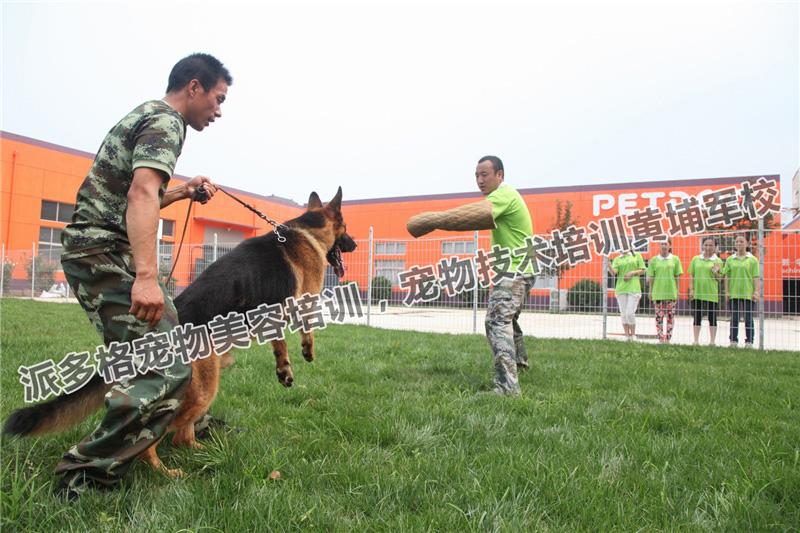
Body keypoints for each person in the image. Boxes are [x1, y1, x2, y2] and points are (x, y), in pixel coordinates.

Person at [56, 53, 231, 498]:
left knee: (157, 354)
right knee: (169, 363)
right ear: (194, 88)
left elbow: (136, 195)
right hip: (100, 253)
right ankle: (86, 472)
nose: (218, 110)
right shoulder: (168, 123)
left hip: (97, 246)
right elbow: (140, 192)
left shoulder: (148, 115)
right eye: (217, 98)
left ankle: (178, 429)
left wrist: (184, 191)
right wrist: (147, 278)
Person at [406, 155, 534, 395]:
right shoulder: (504, 198)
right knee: (509, 319)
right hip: (516, 268)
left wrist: (433, 220)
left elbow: (470, 216)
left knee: (497, 321)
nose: (479, 180)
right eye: (476, 175)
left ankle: (508, 387)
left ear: (500, 175)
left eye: (485, 174)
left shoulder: (504, 195)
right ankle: (520, 365)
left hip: (517, 269)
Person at [723, 234, 760, 348]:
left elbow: (756, 277)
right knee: (734, 318)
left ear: (747, 244)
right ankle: (733, 341)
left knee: (748, 318)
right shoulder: (730, 259)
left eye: (741, 241)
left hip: (748, 293)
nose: (739, 244)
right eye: (737, 242)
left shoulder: (752, 260)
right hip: (734, 292)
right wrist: (727, 291)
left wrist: (756, 291)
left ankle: (749, 341)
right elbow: (726, 276)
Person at [688, 237, 723, 345]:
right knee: (697, 316)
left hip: (711, 293)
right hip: (698, 292)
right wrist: (692, 289)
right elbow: (691, 275)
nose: (708, 247)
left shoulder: (718, 260)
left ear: (715, 247)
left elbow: (720, 279)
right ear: (702, 246)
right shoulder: (696, 259)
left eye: (711, 245)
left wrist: (715, 272)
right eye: (706, 245)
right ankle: (696, 340)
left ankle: (712, 341)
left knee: (712, 317)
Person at [646, 240, 683, 344]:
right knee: (659, 317)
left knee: (670, 317)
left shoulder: (675, 259)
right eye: (662, 243)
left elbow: (677, 276)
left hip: (671, 292)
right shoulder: (654, 260)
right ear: (659, 245)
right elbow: (651, 277)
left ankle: (668, 339)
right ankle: (661, 338)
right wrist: (650, 291)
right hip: (658, 293)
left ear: (670, 245)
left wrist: (678, 290)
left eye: (666, 243)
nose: (664, 246)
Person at [610, 249, 646, 341]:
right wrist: (608, 263)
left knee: (630, 313)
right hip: (621, 288)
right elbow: (614, 273)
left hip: (634, 288)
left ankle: (633, 335)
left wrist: (632, 273)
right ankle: (626, 336)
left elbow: (643, 270)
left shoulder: (636, 255)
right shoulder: (617, 258)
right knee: (623, 314)